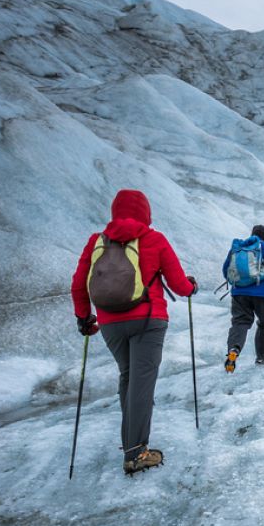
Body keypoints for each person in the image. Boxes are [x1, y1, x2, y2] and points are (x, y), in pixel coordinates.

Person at [70, 189, 197, 475]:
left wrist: (83, 318)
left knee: (128, 376)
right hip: (148, 321)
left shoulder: (96, 242)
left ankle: (131, 443)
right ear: (146, 212)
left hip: (110, 323)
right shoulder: (154, 239)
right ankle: (136, 453)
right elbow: (178, 285)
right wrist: (192, 287)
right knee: (142, 382)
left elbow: (79, 284)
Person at [222, 224, 264, 372]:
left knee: (240, 322)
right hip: (262, 293)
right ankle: (263, 357)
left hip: (238, 293)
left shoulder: (238, 248)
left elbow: (226, 270)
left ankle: (234, 350)